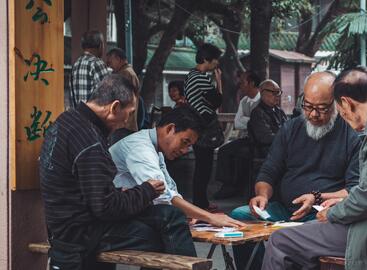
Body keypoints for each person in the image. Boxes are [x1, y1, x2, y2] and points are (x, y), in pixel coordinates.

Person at [262, 68, 367, 270]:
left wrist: (333, 213)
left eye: (341, 113)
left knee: (281, 240)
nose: (345, 120)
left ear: (346, 103)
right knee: (304, 234)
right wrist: (340, 199)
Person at [39, 74, 196, 270]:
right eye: (129, 113)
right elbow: (106, 207)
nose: (126, 121)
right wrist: (146, 190)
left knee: (168, 215)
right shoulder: (90, 141)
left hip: (70, 222)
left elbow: (93, 194)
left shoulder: (66, 121)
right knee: (159, 233)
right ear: (114, 107)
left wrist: (123, 194)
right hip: (80, 231)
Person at [231, 72, 361, 270]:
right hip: (284, 209)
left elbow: (353, 190)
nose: (313, 114)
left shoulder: (350, 134)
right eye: (308, 106)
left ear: (336, 103)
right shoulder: (291, 128)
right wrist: (262, 196)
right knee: (239, 216)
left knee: (294, 239)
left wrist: (316, 198)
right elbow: (268, 171)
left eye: (322, 108)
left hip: (321, 213)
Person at [109, 106, 246, 228]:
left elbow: (170, 190)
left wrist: (193, 214)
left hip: (131, 211)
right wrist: (209, 217)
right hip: (115, 219)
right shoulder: (141, 148)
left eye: (188, 146)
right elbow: (162, 197)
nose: (184, 150)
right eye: (184, 142)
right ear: (170, 129)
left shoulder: (156, 148)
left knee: (175, 217)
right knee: (170, 218)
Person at [184, 43, 223, 210]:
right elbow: (217, 100)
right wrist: (219, 81)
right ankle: (201, 204)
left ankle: (201, 202)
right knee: (204, 167)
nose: (217, 64)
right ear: (207, 59)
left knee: (202, 165)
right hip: (203, 127)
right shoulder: (200, 77)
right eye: (215, 60)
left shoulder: (190, 75)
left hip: (196, 125)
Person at [214, 70, 261, 199]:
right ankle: (226, 185)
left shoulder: (262, 100)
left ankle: (238, 188)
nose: (240, 84)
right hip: (246, 138)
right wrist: (251, 120)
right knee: (224, 150)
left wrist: (249, 120)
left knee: (243, 154)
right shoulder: (244, 101)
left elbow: (258, 125)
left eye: (243, 81)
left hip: (260, 141)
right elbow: (237, 123)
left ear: (251, 83)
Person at [247, 79, 288, 158]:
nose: (278, 96)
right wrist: (285, 137)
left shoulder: (279, 111)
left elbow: (289, 129)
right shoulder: (257, 113)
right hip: (267, 152)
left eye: (279, 92)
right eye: (274, 92)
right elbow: (265, 138)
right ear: (262, 93)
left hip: (282, 148)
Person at [70, 30, 110, 107]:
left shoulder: (76, 64)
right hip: (93, 116)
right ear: (100, 45)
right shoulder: (97, 63)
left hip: (78, 115)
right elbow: (108, 93)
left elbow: (71, 96)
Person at [106, 47, 141, 131]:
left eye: (110, 62)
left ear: (118, 59)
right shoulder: (125, 72)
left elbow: (122, 99)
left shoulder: (126, 73)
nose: (109, 66)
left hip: (124, 125)